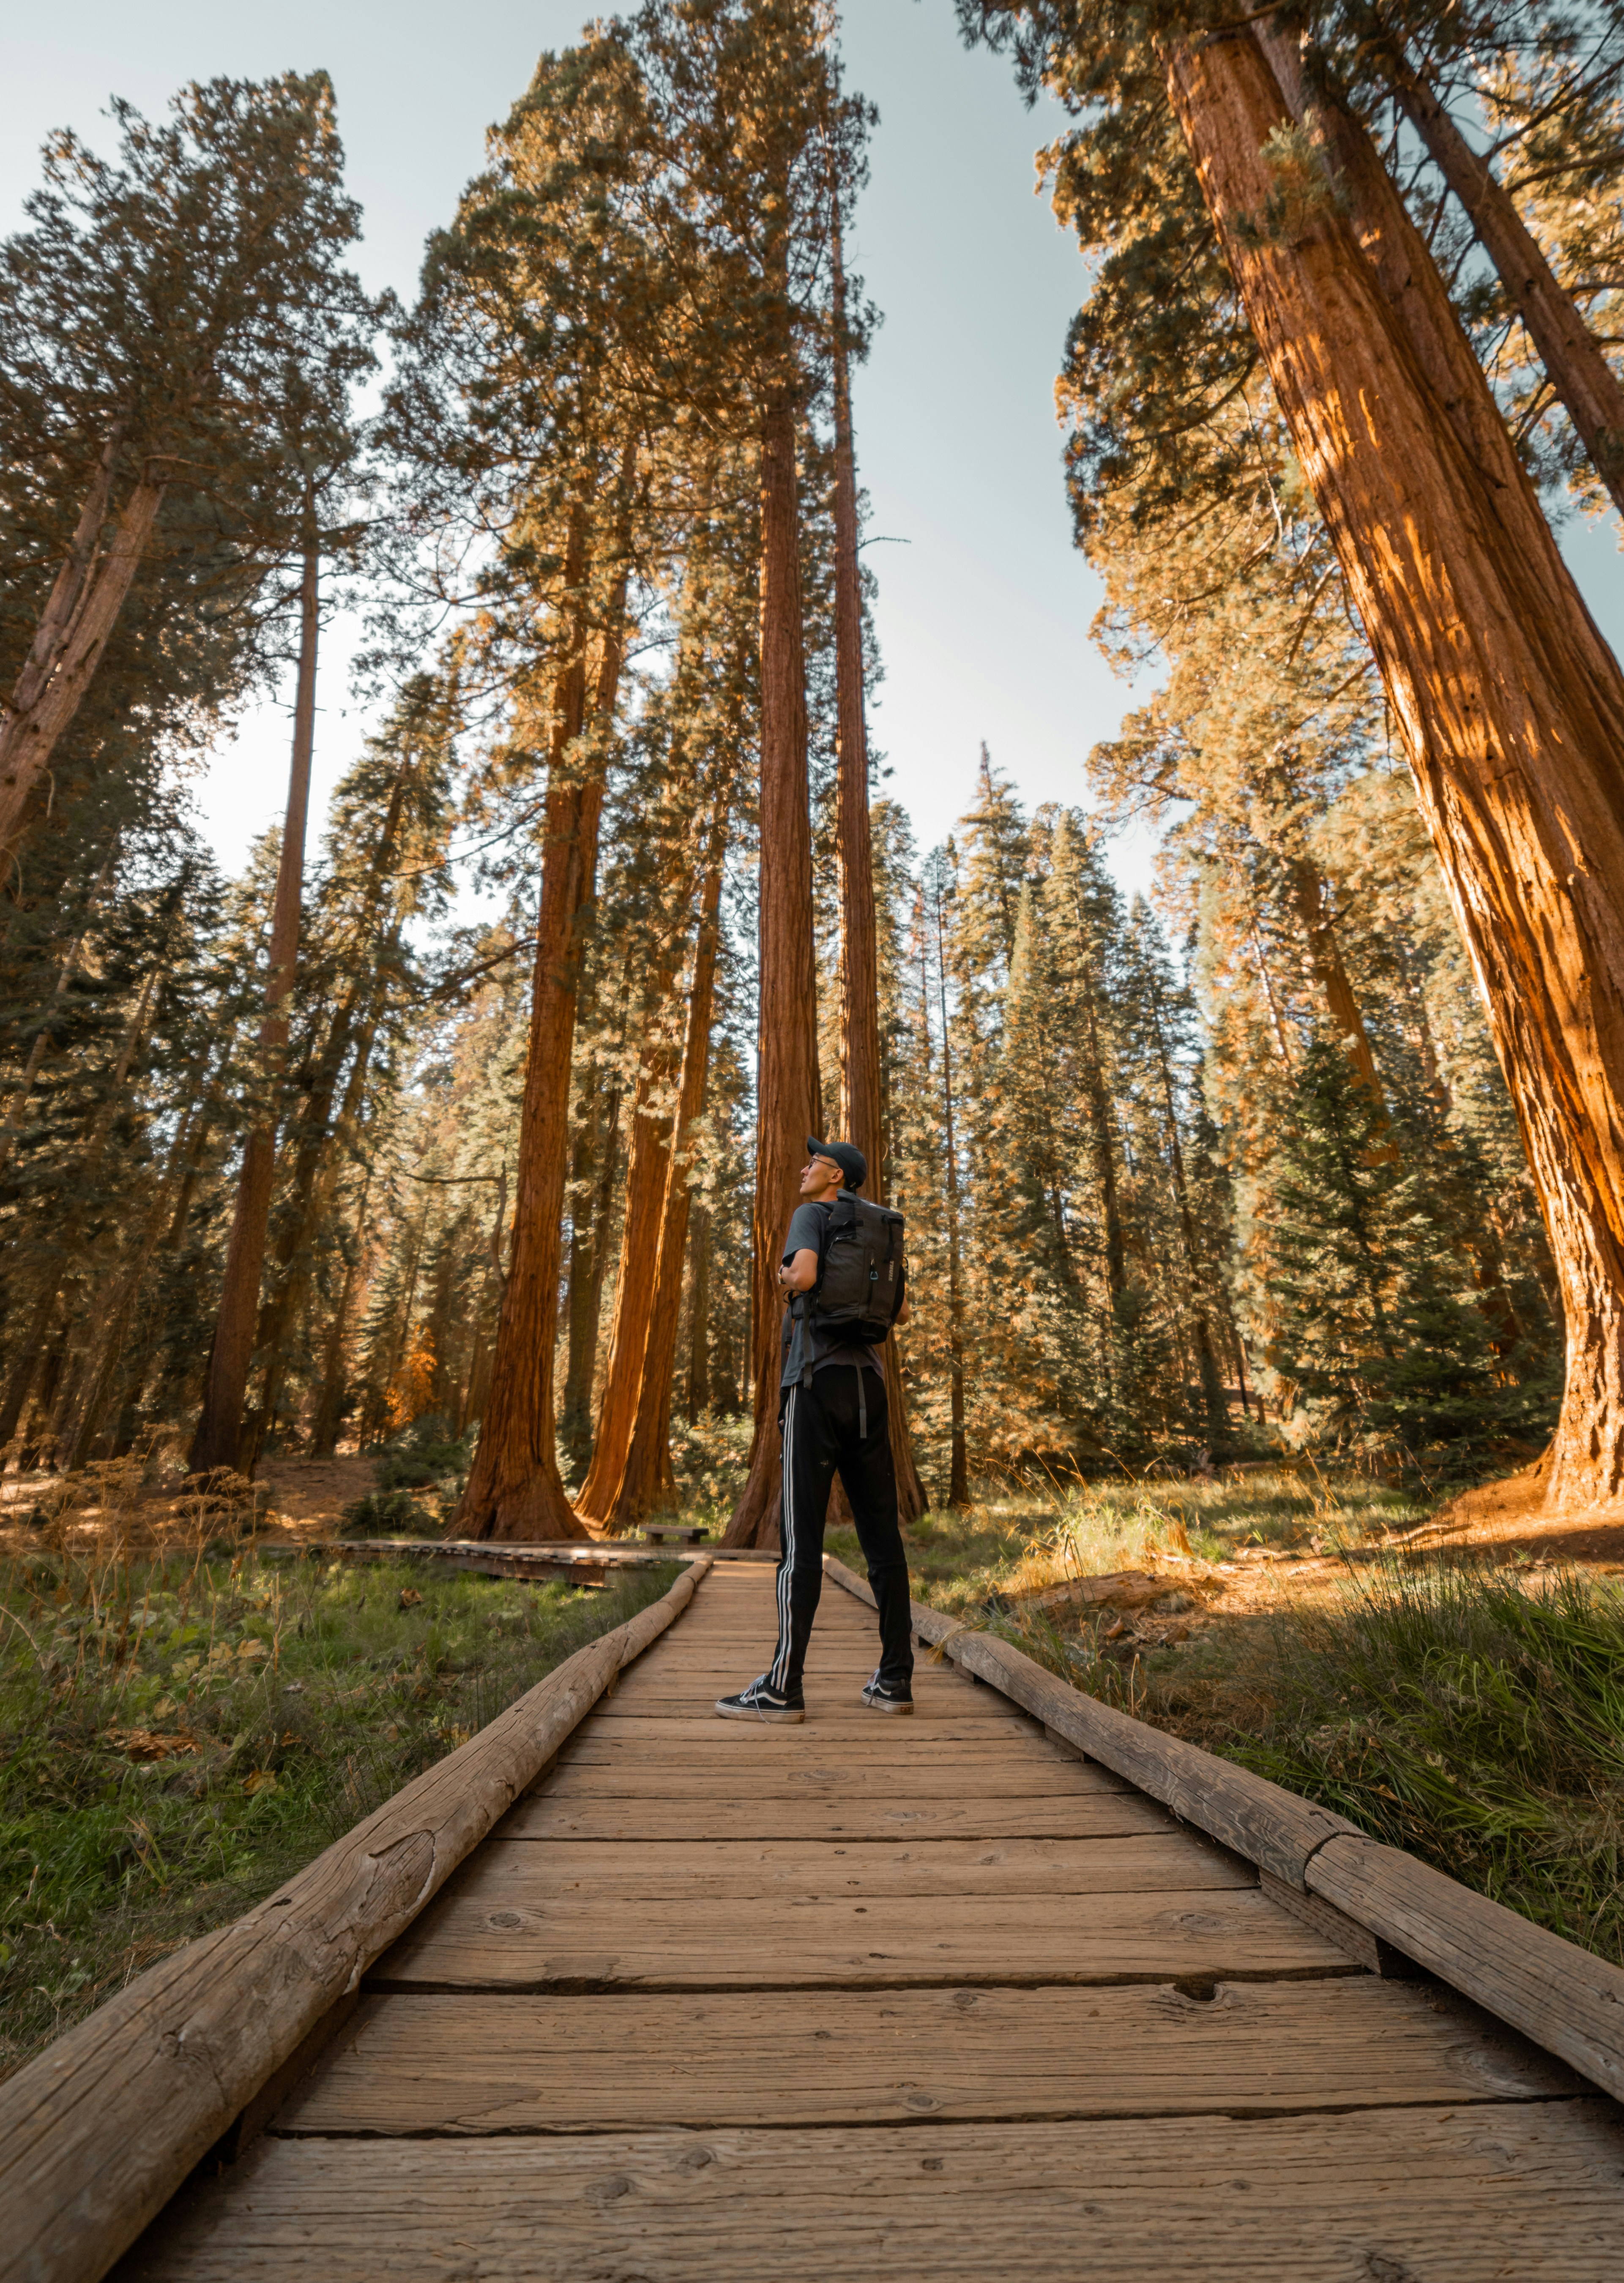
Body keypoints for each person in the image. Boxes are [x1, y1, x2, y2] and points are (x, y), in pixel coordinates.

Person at [715, 1137, 914, 1723]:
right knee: (884, 1542)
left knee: (801, 1540)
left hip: (814, 1383)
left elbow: (802, 1275)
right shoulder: (881, 1226)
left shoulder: (813, 1215)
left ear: (834, 1176)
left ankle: (782, 1688)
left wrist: (784, 1278)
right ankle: (894, 1681)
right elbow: (900, 1312)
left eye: (811, 1163)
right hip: (868, 1390)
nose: (802, 1169)